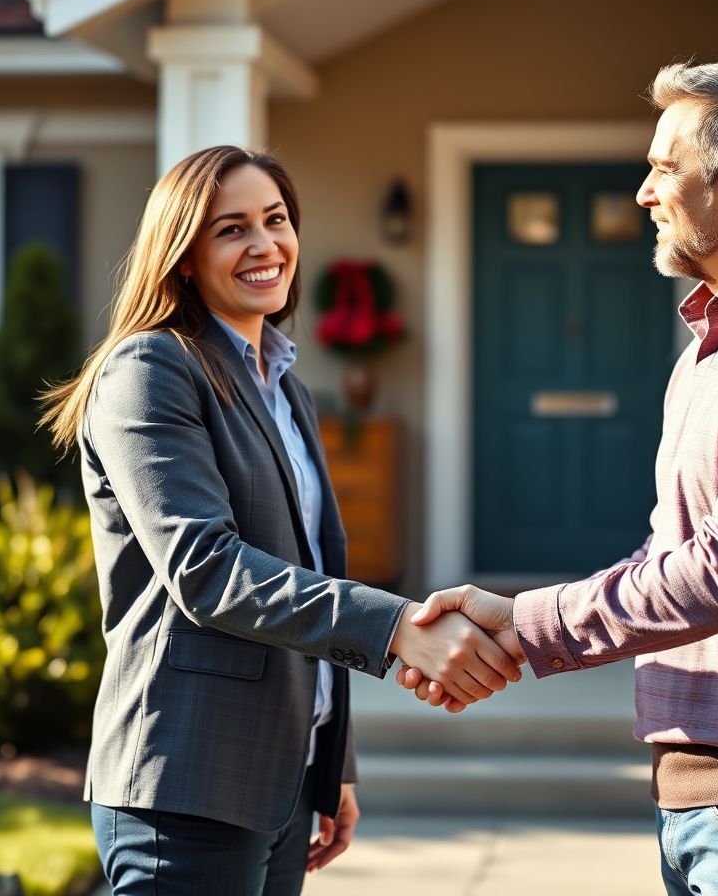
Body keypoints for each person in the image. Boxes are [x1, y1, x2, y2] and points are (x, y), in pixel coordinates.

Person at [400, 60, 718, 896]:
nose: (643, 192)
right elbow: (674, 552)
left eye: (662, 166)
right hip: (708, 807)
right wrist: (509, 628)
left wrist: (529, 626)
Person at [42, 145, 523, 896]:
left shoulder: (285, 388)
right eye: (231, 229)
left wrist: (334, 765)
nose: (266, 245)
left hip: (284, 780)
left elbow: (313, 575)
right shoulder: (150, 369)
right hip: (188, 780)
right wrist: (399, 628)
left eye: (276, 220)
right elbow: (206, 569)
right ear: (184, 257)